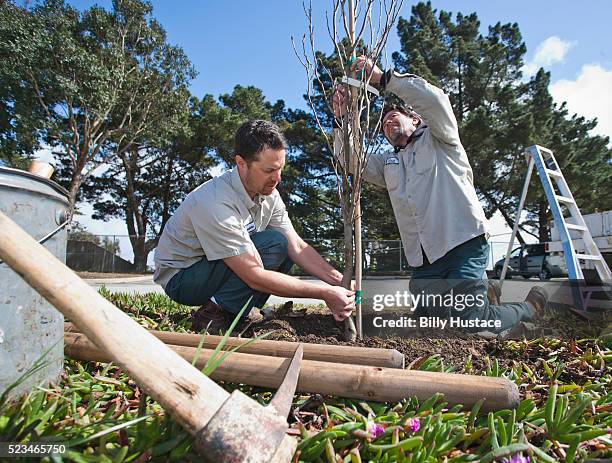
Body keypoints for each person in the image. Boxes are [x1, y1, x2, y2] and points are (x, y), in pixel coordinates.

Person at [332, 56, 549, 337]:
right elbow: (350, 159)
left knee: (470, 323)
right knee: (428, 323)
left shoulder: (441, 138)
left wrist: (383, 79)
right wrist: (342, 118)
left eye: (393, 117)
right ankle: (484, 294)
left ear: (415, 118)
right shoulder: (388, 164)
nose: (387, 124)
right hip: (424, 260)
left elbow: (435, 102)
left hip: (462, 244)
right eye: (383, 124)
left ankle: (530, 307)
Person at [154, 120, 355, 334]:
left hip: (215, 266)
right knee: (273, 242)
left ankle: (241, 310)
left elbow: (296, 246)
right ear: (241, 163)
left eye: (280, 169)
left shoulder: (270, 195)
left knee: (284, 245)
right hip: (183, 277)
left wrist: (340, 281)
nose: (277, 178)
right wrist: (324, 293)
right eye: (269, 170)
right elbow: (253, 275)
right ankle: (213, 315)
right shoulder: (215, 201)